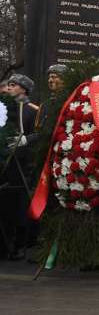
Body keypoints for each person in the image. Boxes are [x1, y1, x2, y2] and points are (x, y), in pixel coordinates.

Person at [0, 74, 40, 260]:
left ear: (24, 89)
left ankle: (17, 245)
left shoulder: (32, 110)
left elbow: (40, 134)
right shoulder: (3, 107)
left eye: (13, 85)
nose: (8, 88)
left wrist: (25, 141)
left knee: (17, 206)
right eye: (8, 85)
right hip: (4, 162)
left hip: (21, 165)